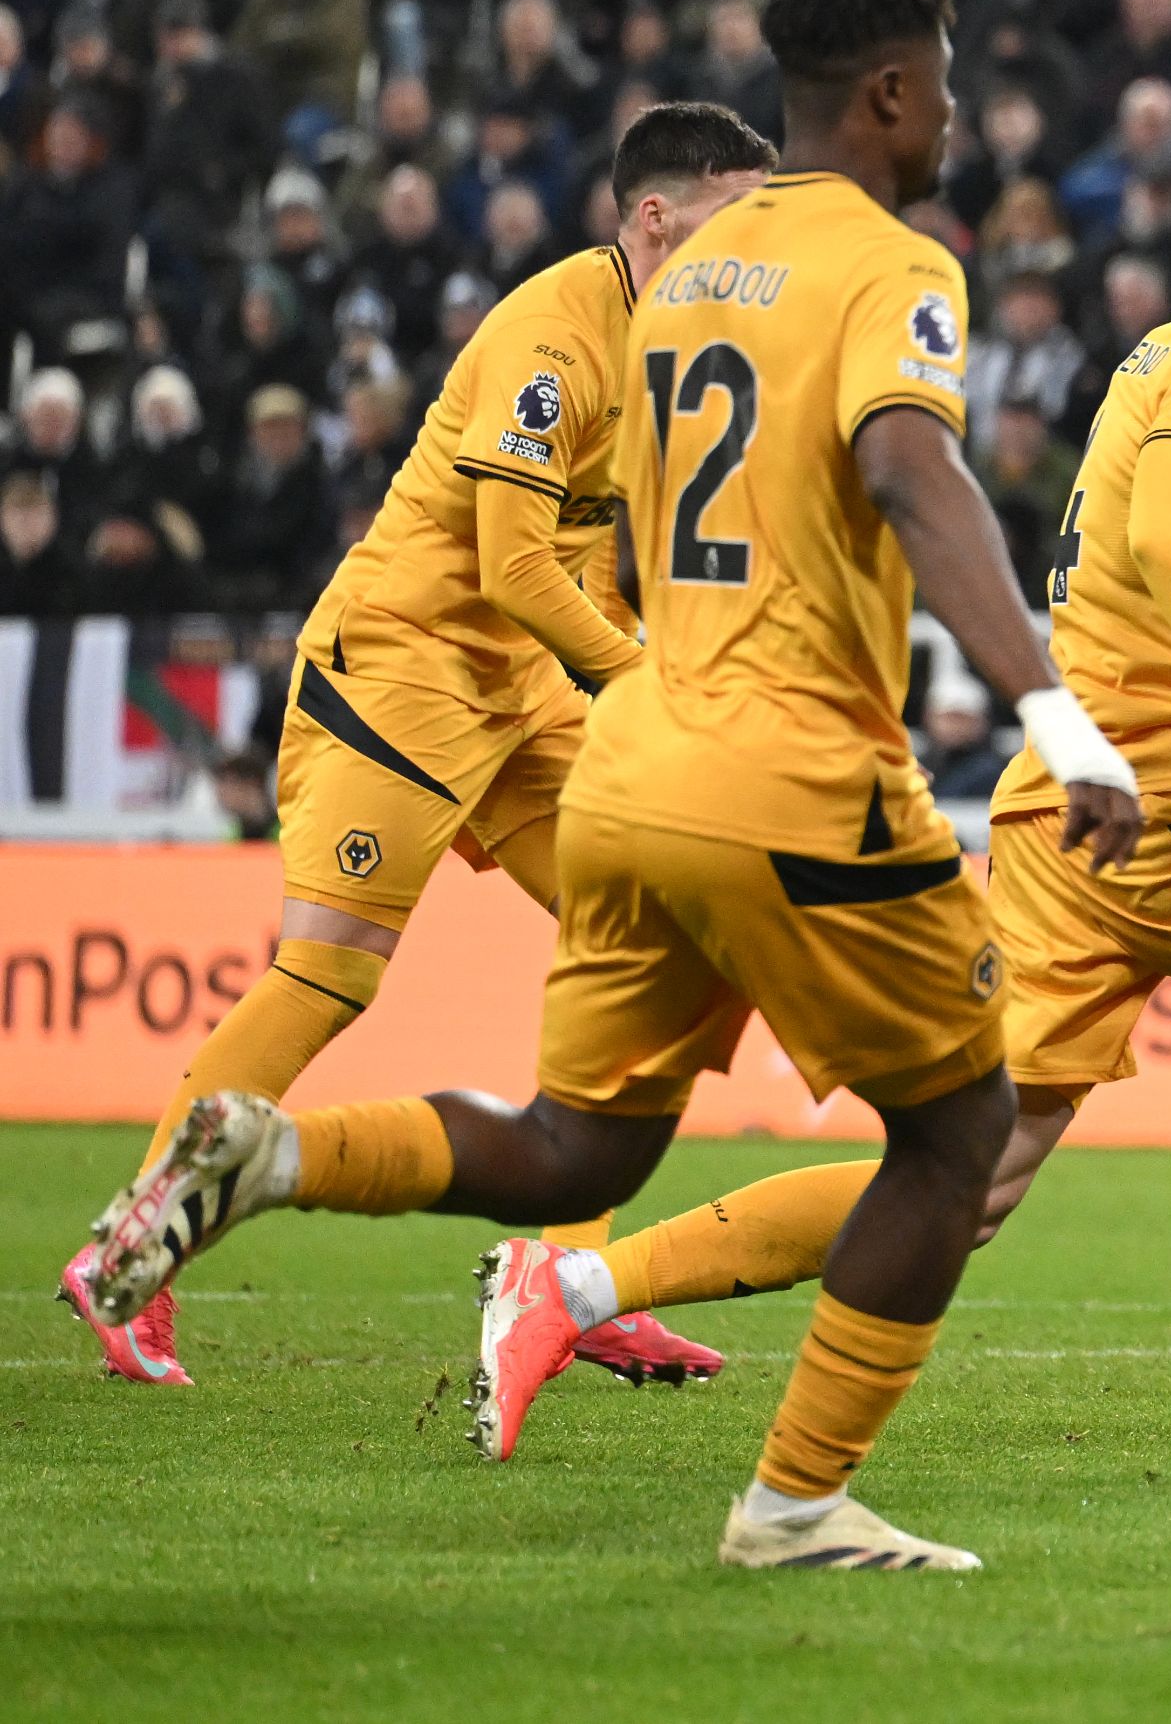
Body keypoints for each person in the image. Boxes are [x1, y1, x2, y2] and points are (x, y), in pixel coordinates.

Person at [80, 0, 1147, 1574]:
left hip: (634, 761)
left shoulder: (684, 285)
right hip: (776, 768)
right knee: (956, 1133)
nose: (953, 113)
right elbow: (916, 478)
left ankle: (280, 1151)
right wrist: (1054, 714)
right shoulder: (893, 264)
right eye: (939, 82)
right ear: (885, 95)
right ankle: (790, 1505)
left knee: (588, 1143)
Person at [53, 105, 779, 1390]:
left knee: (659, 941)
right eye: (741, 215)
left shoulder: (685, 348)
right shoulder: (555, 330)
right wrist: (636, 675)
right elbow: (506, 561)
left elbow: (584, 557)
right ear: (658, 216)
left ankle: (571, 1281)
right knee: (331, 973)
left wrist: (657, 669)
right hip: (403, 663)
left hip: (520, 689)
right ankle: (133, 1260)